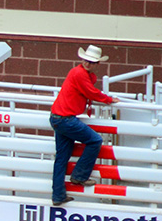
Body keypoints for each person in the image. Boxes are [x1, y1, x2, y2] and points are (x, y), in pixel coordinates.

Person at [49, 45, 118, 208]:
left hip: (59, 118)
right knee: (95, 141)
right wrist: (108, 99)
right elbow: (91, 92)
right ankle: (79, 176)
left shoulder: (78, 73)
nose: (87, 63)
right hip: (65, 119)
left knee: (61, 158)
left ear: (96, 64)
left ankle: (58, 194)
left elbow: (88, 90)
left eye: (91, 61)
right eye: (87, 61)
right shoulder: (80, 74)